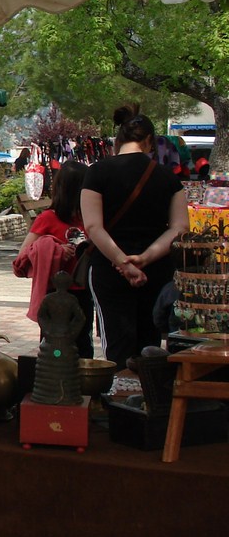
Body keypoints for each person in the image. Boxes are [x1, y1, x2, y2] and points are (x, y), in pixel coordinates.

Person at [80, 105, 187, 368]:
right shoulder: (168, 178)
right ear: (150, 141)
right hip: (156, 268)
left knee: (116, 341)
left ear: (119, 139)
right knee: (149, 341)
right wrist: (144, 258)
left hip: (108, 267)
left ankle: (117, 399)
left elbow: (93, 227)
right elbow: (179, 228)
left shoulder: (97, 172)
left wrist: (123, 262)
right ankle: (146, 399)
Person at [12, 160, 94, 357]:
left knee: (83, 344)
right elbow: (22, 258)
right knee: (54, 348)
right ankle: (54, 384)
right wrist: (54, 248)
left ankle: (81, 384)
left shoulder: (91, 218)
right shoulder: (48, 218)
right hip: (55, 294)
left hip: (85, 292)